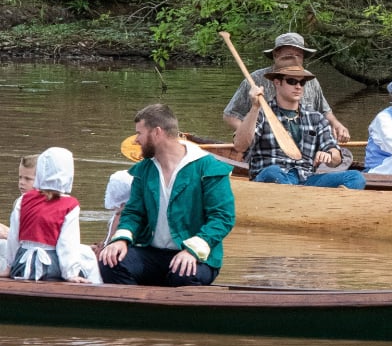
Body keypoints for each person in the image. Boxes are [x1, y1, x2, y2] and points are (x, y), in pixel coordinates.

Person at [99, 104, 235, 286]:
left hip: (195, 256)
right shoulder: (144, 169)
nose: (135, 141)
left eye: (139, 133)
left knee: (184, 274)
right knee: (111, 262)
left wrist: (191, 251)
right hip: (153, 254)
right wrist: (121, 240)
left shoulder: (208, 167)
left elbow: (222, 218)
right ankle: (133, 311)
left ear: (157, 132)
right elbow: (133, 213)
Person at [233, 64, 366, 189]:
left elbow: (336, 158)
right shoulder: (260, 114)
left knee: (355, 177)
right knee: (272, 172)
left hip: (306, 179)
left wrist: (329, 155)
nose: (298, 86)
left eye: (302, 82)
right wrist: (255, 107)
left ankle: (315, 201)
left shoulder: (316, 117)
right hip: (272, 178)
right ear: (277, 83)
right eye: (291, 81)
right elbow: (240, 146)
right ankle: (300, 199)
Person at [223, 32, 351, 143]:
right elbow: (231, 115)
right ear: (275, 55)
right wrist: (247, 135)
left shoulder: (311, 81)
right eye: (288, 55)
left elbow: (324, 112)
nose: (293, 59)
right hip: (264, 147)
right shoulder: (254, 80)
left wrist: (337, 125)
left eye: (298, 56)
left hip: (304, 145)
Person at [6, 147, 101, 283]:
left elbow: (13, 237)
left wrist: (10, 266)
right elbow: (67, 243)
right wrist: (71, 274)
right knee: (87, 264)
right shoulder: (70, 205)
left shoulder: (24, 199)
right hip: (50, 267)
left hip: (22, 265)